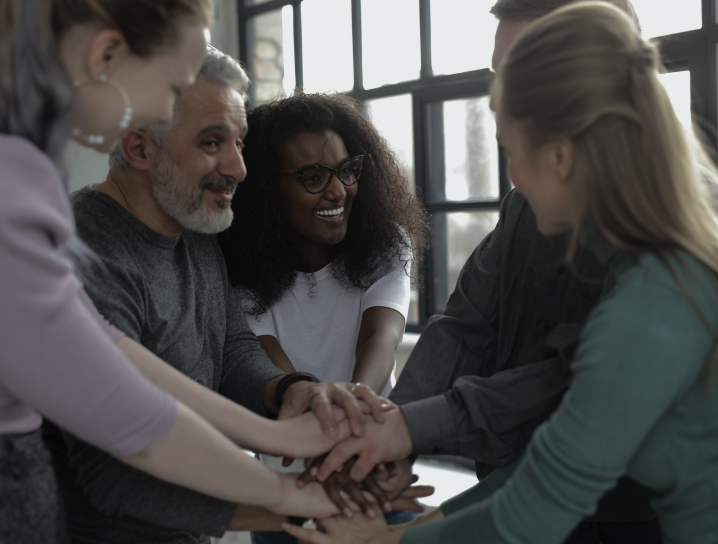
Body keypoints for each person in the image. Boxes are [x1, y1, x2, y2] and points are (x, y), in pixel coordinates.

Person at [284, 2, 718, 543]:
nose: (506, 164)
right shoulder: (560, 221)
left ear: (560, 149)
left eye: (511, 143)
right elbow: (467, 331)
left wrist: (387, 535)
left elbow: (551, 474)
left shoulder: (651, 301)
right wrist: (397, 435)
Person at [0, 1, 369, 542]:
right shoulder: (37, 199)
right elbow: (124, 427)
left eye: (237, 141)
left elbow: (135, 360)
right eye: (172, 86)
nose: (240, 168)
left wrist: (288, 404)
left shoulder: (191, 229)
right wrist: (289, 498)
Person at [216, 93, 430, 544]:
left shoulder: (386, 244)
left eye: (347, 170)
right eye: (313, 177)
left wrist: (346, 443)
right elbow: (274, 373)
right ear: (267, 190)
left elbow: (381, 340)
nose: (338, 190)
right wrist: (334, 451)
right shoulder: (239, 269)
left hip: (369, 470)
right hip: (286, 483)